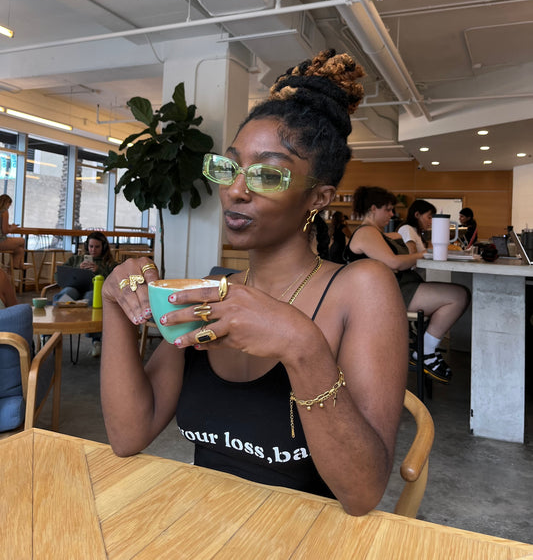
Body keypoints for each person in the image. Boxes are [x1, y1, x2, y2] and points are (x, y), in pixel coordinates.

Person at [101, 49, 408, 516]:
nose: (236, 190)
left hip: (308, 537)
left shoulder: (362, 288)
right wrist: (116, 305)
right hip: (206, 524)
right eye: (229, 168)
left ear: (319, 198)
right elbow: (128, 435)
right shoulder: (213, 288)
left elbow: (362, 492)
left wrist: (302, 346)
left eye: (266, 173)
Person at [344, 187, 469, 384]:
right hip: (390, 294)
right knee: (458, 296)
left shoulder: (376, 233)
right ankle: (426, 351)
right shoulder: (366, 233)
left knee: (459, 294)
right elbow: (393, 263)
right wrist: (423, 255)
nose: (392, 214)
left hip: (397, 289)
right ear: (373, 208)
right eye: (388, 209)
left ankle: (426, 349)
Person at [55, 231, 117, 357]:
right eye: (91, 246)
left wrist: (99, 270)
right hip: (75, 289)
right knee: (66, 294)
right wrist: (78, 270)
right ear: (86, 246)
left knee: (92, 297)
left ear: (104, 247)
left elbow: (114, 282)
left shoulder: (109, 264)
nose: (93, 250)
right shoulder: (76, 259)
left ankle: (96, 340)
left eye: (97, 247)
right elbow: (59, 276)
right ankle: (51, 333)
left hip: (93, 291)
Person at [0, 194, 25, 269]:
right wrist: (12, 228)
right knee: (22, 240)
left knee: (19, 250)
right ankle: (19, 265)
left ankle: (12, 269)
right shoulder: (4, 212)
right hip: (1, 242)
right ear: (7, 203)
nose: (9, 207)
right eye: (9, 205)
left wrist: (9, 226)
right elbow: (5, 231)